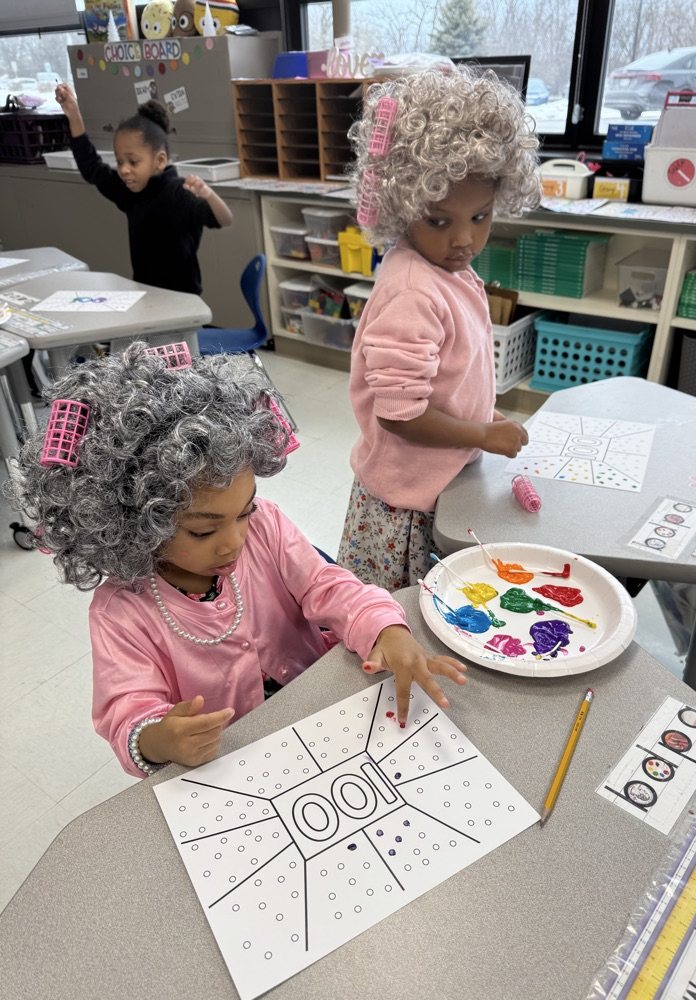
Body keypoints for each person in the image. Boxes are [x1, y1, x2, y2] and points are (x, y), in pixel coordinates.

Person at [8, 343, 467, 778]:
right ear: (132, 523)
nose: (234, 542)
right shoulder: (121, 613)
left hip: (321, 713)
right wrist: (161, 739)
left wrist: (385, 628)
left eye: (244, 512)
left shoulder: (266, 526)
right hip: (232, 762)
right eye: (203, 531)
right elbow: (127, 712)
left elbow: (326, 585)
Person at [337, 66, 541, 591]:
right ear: (401, 206)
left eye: (481, 216)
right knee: (401, 616)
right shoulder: (413, 292)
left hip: (440, 484)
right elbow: (400, 415)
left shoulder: (449, 271)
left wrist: (483, 416)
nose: (465, 240)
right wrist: (482, 435)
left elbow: (450, 377)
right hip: (403, 508)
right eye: (440, 221)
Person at [55, 83, 232, 295]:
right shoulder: (129, 191)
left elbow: (224, 219)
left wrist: (208, 194)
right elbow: (91, 166)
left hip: (183, 298)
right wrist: (74, 115)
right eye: (120, 161)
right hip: (145, 292)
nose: (124, 170)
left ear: (160, 160)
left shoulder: (178, 192)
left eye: (133, 162)